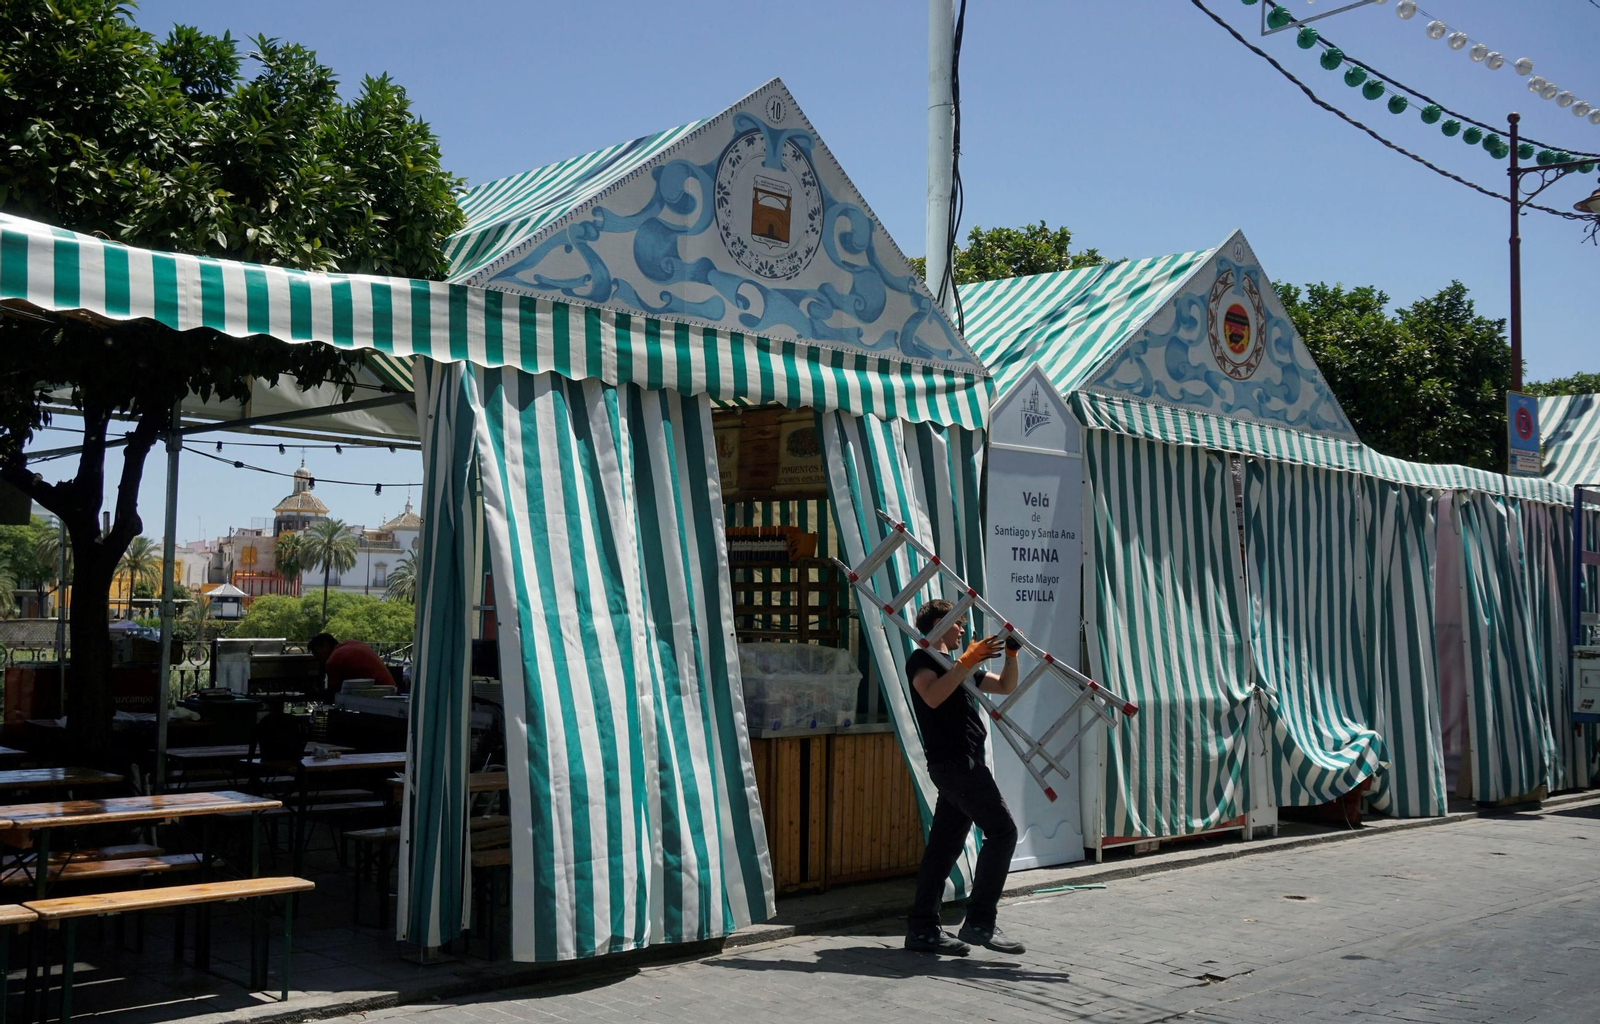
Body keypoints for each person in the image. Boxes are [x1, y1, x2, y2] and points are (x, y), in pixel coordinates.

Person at [903, 598, 1023, 957]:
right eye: (959, 624)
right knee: (1003, 832)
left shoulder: (956, 663)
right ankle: (979, 921)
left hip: (963, 763)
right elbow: (934, 696)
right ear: (942, 622)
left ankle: (922, 930)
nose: (963, 631)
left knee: (943, 849)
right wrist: (967, 661)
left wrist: (1012, 655)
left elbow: (1004, 687)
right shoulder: (922, 660)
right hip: (956, 765)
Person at [308, 632, 394, 702]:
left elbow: (332, 695)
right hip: (391, 692)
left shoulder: (334, 659)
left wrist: (314, 694)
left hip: (380, 698)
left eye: (316, 651)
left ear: (325, 645)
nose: (315, 656)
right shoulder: (352, 644)